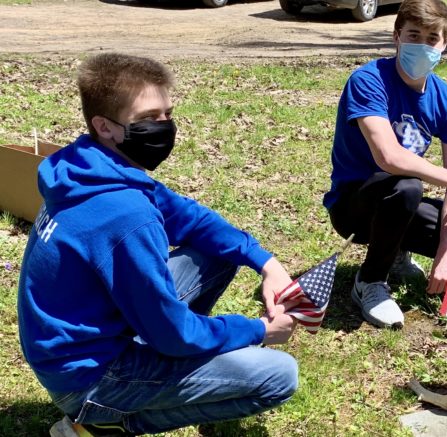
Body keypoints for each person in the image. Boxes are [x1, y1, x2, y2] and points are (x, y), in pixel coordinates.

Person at [17, 53, 300, 437]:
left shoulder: (87, 166)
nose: (165, 127)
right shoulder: (126, 215)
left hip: (73, 346)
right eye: (149, 117)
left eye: (168, 113)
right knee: (279, 375)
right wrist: (258, 330)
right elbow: (172, 331)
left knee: (215, 253)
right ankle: (102, 424)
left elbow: (190, 218)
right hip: (87, 378)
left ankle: (168, 367)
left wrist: (266, 263)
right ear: (104, 126)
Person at [323, 0, 447, 330]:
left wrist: (446, 254)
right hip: (354, 207)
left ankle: (396, 250)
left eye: (432, 38)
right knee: (407, 186)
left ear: (444, 42)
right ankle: (369, 281)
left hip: (398, 201)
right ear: (396, 37)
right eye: (413, 35)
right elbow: (388, 158)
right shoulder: (368, 80)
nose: (422, 46)